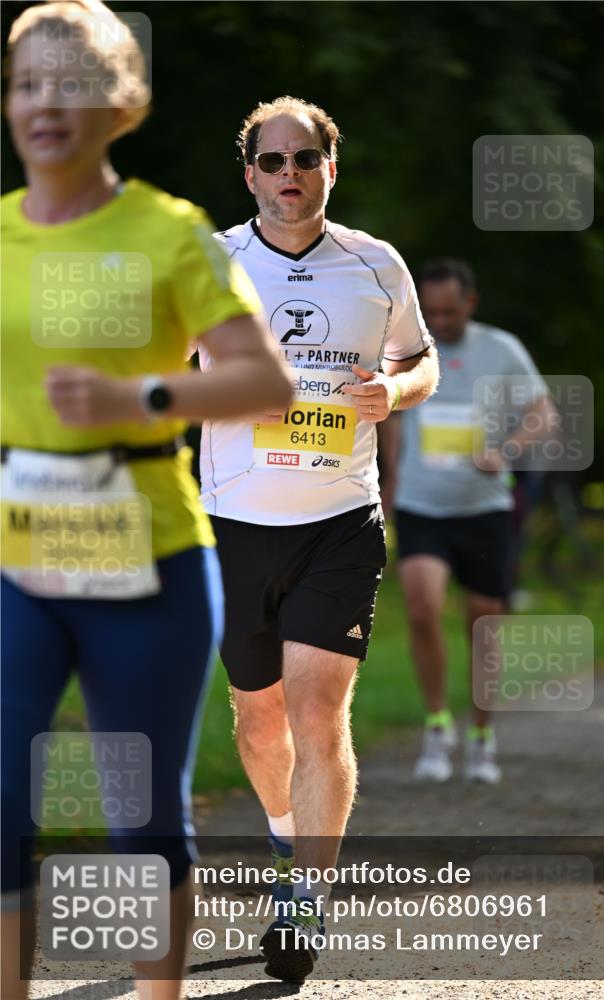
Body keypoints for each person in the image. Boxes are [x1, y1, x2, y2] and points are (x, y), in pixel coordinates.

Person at [1, 5, 292, 1000]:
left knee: (142, 812)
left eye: (70, 85)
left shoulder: (169, 234)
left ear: (119, 104)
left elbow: (264, 381)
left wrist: (141, 398)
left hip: (148, 553)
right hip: (17, 557)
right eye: (27, 84)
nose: (45, 105)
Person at [193, 95, 438, 982]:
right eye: (272, 160)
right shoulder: (210, 263)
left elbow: (419, 358)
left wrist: (393, 393)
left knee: (315, 711)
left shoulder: (375, 263)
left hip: (338, 522)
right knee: (257, 720)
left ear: (330, 168)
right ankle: (282, 839)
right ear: (249, 173)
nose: (288, 174)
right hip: (232, 526)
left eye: (304, 159)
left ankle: (304, 901)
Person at [379, 258, 557, 786]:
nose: (439, 321)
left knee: (484, 621)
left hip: (484, 509)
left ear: (470, 304)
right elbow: (392, 413)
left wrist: (507, 450)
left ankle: (481, 734)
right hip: (421, 505)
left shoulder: (500, 349)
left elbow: (544, 414)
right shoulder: (407, 349)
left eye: (449, 312)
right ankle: (437, 725)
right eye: (431, 312)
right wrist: (390, 479)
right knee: (422, 607)